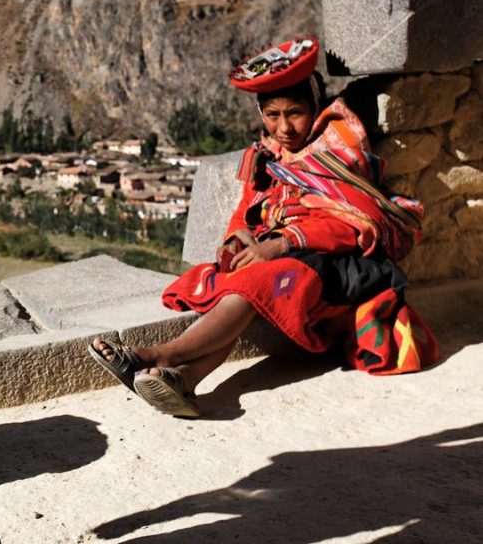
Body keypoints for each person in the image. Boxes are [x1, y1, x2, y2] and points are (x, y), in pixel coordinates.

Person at [89, 37, 438, 418]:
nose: (284, 127)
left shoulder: (339, 148)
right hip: (283, 264)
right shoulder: (266, 156)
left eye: (295, 113)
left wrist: (281, 244)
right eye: (273, 115)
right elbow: (246, 211)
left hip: (337, 268)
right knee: (242, 288)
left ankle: (155, 355)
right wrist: (237, 237)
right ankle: (186, 380)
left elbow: (357, 222)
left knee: (253, 283)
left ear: (315, 106)